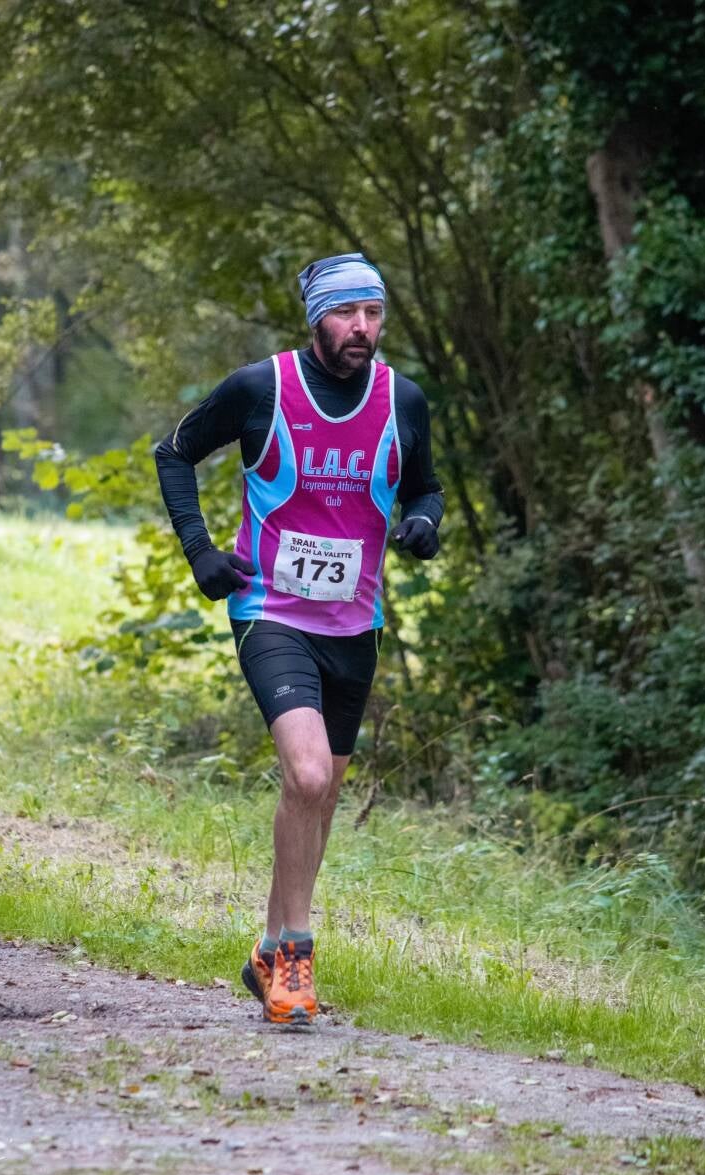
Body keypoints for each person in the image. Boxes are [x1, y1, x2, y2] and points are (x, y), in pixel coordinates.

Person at [155, 253, 443, 1028]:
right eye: (347, 313)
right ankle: (295, 959)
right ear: (317, 318)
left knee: (319, 797)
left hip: (356, 625)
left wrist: (424, 522)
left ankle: (266, 950)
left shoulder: (403, 400)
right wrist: (201, 552)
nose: (362, 328)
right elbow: (174, 452)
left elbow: (425, 486)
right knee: (308, 775)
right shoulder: (262, 388)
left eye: (373, 314)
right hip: (271, 612)